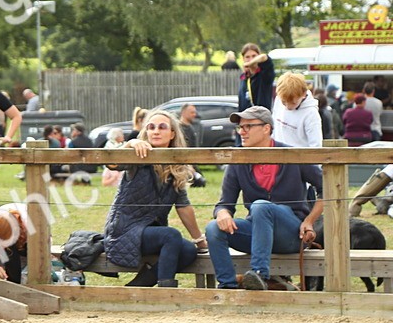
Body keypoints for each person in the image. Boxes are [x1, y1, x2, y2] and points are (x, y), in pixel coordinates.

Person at [204, 106, 322, 290]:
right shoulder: (238, 161)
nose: (242, 132)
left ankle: (259, 276)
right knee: (213, 228)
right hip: (257, 233)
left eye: (248, 127)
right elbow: (224, 204)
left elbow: (329, 190)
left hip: (291, 235)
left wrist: (309, 220)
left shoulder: (293, 155)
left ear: (266, 128)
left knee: (260, 206)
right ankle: (228, 286)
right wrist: (222, 214)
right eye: (240, 127)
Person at [104, 110, 205, 288]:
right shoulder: (138, 154)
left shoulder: (176, 167)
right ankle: (166, 290)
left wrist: (199, 240)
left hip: (151, 231)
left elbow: (183, 207)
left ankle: (141, 283)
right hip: (125, 229)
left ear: (172, 133)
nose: (156, 131)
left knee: (189, 250)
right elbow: (111, 163)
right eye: (151, 127)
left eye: (162, 127)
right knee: (171, 235)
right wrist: (130, 144)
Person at [272, 73, 322, 148]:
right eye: (284, 102)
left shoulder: (311, 113)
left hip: (300, 156)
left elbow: (316, 144)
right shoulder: (278, 100)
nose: (288, 107)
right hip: (278, 153)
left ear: (303, 94)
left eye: (293, 103)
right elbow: (274, 127)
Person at [0, 203, 30, 283]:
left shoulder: (29, 224)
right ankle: (13, 284)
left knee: (12, 252)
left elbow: (42, 248)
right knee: (9, 254)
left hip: (28, 237)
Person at [237, 42, 274, 112]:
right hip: (246, 117)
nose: (251, 59)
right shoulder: (244, 77)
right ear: (243, 58)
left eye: (254, 56)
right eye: (247, 57)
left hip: (261, 117)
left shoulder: (264, 74)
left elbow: (264, 57)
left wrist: (249, 63)